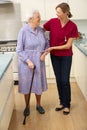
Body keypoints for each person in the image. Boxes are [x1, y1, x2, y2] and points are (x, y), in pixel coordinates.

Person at [43, 2, 78, 115]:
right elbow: (42, 30)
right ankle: (61, 102)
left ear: (66, 12)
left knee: (64, 80)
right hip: (55, 56)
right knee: (58, 80)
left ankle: (67, 104)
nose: (56, 14)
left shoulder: (72, 26)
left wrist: (52, 47)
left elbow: (68, 45)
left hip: (66, 56)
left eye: (58, 12)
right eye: (56, 12)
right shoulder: (53, 22)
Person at [16, 10, 49, 115]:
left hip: (39, 62)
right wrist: (28, 61)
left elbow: (47, 44)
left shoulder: (40, 30)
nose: (40, 18)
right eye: (38, 17)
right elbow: (19, 50)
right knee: (27, 85)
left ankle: (38, 105)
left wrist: (44, 54)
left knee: (38, 83)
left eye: (39, 16)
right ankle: (27, 106)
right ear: (31, 19)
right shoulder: (23, 31)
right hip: (27, 63)